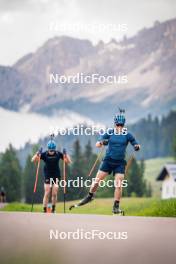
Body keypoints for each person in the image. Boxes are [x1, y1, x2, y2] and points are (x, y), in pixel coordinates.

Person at [79, 111, 140, 214]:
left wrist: (136, 146)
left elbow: (137, 144)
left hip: (120, 163)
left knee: (119, 184)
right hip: (108, 161)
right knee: (96, 181)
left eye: (121, 125)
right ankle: (90, 196)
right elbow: (97, 144)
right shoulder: (109, 132)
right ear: (115, 124)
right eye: (118, 125)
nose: (119, 127)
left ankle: (116, 207)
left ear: (123, 125)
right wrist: (103, 142)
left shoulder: (128, 135)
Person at [31, 140, 71, 213]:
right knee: (47, 192)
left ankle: (53, 209)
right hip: (48, 175)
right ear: (48, 149)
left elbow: (68, 162)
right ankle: (45, 209)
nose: (51, 152)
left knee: (54, 193)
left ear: (55, 149)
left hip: (56, 175)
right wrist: (37, 153)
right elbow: (33, 160)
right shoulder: (44, 154)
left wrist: (66, 154)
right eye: (50, 150)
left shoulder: (58, 154)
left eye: (53, 150)